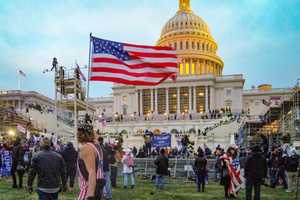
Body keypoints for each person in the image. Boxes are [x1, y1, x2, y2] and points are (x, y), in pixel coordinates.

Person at [77, 120, 105, 200]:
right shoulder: (95, 146)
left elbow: (91, 172)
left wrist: (90, 196)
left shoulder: (87, 148)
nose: (78, 135)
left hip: (88, 189)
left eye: (80, 133)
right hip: (96, 187)